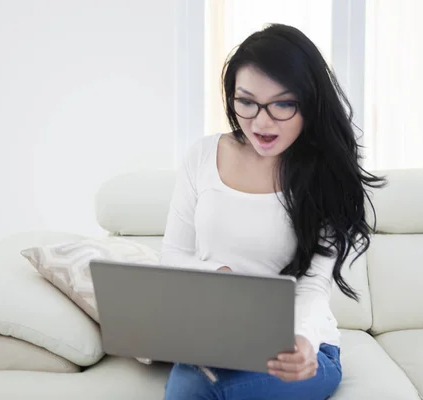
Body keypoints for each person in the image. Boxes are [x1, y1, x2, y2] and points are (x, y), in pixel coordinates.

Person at [159, 23, 385, 399]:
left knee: (211, 391)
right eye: (246, 101)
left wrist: (304, 341)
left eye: (282, 103)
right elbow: (173, 255)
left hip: (300, 347)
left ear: (309, 103)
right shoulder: (202, 156)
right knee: (193, 381)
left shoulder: (326, 175)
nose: (261, 122)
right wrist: (221, 274)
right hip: (214, 338)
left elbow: (313, 285)